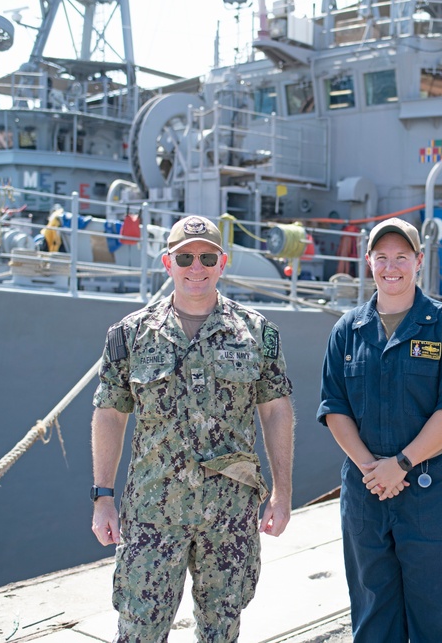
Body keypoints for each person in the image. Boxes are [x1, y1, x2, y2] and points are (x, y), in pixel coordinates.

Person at [91, 215, 295, 642]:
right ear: (168, 263)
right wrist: (102, 498)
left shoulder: (257, 333)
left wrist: (282, 492)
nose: (196, 266)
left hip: (230, 514)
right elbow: (110, 414)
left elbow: (276, 410)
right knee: (139, 630)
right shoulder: (130, 335)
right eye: (185, 256)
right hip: (152, 513)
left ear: (223, 262)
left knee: (222, 630)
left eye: (206, 257)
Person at [318, 217, 442, 643]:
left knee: (439, 618)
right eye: (382, 257)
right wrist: (374, 468)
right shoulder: (346, 331)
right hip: (367, 492)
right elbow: (335, 409)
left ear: (419, 261)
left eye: (402, 257)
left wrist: (402, 464)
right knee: (373, 618)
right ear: (368, 261)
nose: (392, 267)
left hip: (432, 494)